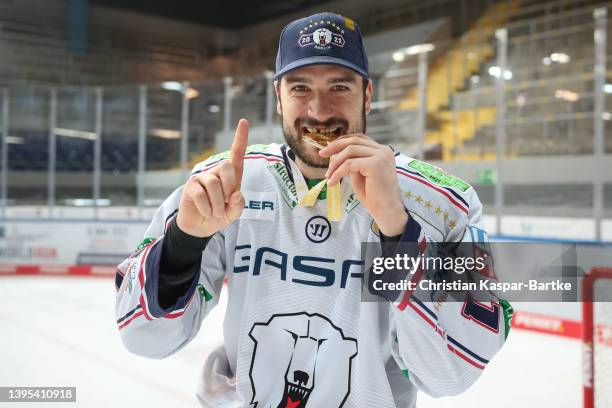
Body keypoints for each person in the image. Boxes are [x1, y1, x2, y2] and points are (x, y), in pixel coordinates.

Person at [115, 12, 511, 407]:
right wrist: (184, 242)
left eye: (339, 86)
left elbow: (450, 375)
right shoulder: (225, 182)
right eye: (300, 87)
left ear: (367, 95)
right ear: (278, 97)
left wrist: (398, 231)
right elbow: (144, 339)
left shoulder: (444, 203)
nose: (320, 111)